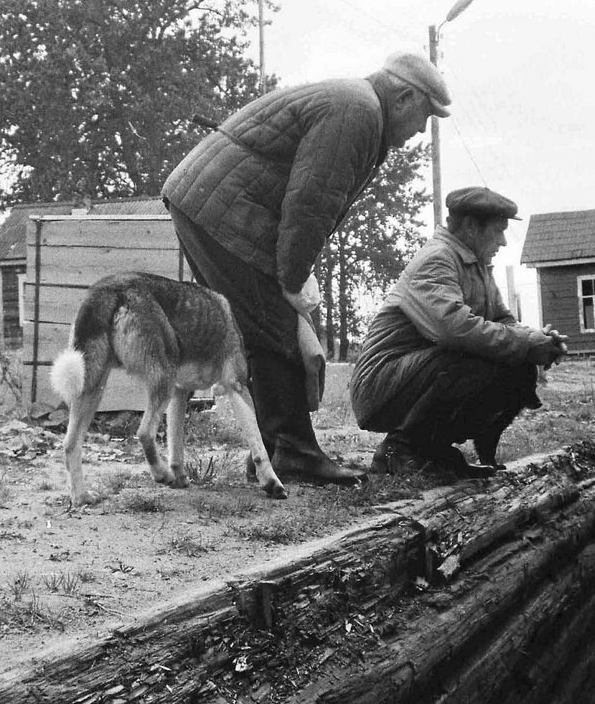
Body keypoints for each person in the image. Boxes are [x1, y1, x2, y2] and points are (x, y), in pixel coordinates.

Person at [162, 51, 451, 485]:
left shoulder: (356, 103)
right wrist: (293, 279)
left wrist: (292, 276)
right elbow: (310, 205)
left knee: (257, 331)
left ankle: (274, 450)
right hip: (224, 210)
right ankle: (292, 452)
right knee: (276, 329)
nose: (418, 132)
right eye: (423, 116)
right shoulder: (359, 112)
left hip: (205, 202)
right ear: (405, 96)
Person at [349, 186, 567, 477]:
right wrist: (525, 342)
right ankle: (397, 451)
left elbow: (503, 321)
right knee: (469, 356)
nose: (503, 241)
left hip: (414, 378)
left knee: (519, 364)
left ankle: (434, 450)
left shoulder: (477, 266)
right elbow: (454, 329)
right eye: (497, 231)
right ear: (470, 227)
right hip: (381, 386)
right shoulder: (437, 259)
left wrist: (540, 341)